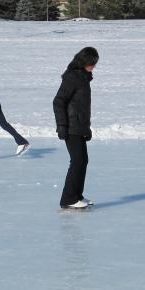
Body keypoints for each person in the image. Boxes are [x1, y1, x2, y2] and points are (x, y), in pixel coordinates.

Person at [53, 47, 99, 209]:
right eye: (92, 63)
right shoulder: (72, 77)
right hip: (71, 127)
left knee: (82, 161)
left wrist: (86, 128)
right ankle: (69, 199)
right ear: (83, 61)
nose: (94, 67)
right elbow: (58, 101)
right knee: (77, 161)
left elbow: (81, 107)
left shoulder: (83, 78)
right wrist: (62, 125)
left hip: (79, 127)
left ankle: (76, 196)